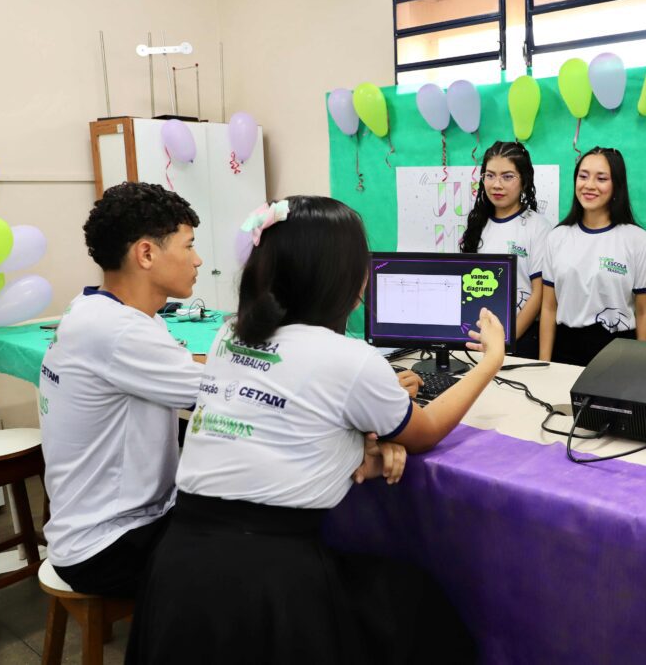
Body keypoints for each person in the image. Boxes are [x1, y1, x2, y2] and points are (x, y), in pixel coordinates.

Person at [127, 196, 504, 664]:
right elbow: (425, 432)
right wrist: (489, 361)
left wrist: (361, 443)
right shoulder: (350, 360)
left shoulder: (230, 335)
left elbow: (284, 417)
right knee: (423, 612)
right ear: (341, 274)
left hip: (179, 567)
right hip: (273, 582)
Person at [38, 182, 204, 597]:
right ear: (146, 253)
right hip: (107, 545)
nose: (197, 260)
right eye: (188, 247)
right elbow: (227, 393)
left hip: (95, 525)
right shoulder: (119, 331)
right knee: (257, 536)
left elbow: (183, 367)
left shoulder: (97, 309)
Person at [539, 147, 646, 366]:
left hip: (619, 353)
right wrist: (544, 364)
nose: (589, 185)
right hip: (566, 350)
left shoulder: (637, 239)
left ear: (616, 186)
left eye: (601, 178)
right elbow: (548, 307)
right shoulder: (557, 237)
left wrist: (643, 367)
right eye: (583, 176)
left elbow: (644, 311)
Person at [460, 141, 552, 358]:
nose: (496, 184)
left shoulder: (538, 226)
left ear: (524, 180)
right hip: (476, 337)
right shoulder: (476, 223)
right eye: (490, 175)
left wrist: (505, 340)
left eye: (507, 176)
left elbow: (539, 295)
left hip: (519, 339)